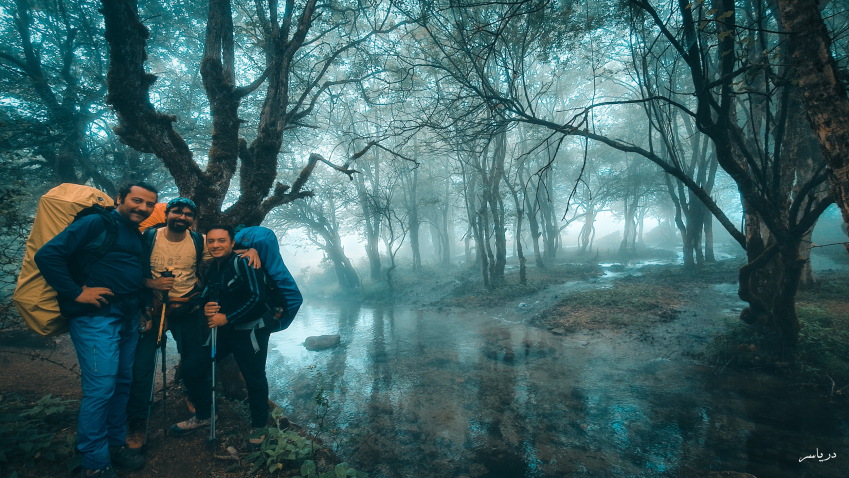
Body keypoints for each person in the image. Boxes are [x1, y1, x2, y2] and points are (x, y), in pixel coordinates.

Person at [34, 182, 158, 477]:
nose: (142, 208)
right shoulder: (96, 222)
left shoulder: (136, 234)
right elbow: (47, 255)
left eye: (149, 204)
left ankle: (115, 445)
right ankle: (95, 463)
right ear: (120, 198)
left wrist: (143, 308)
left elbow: (133, 273)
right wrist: (77, 293)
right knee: (101, 387)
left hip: (127, 317)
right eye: (136, 200)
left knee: (122, 383)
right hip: (95, 318)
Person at [125, 198, 260, 450]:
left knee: (193, 360)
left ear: (193, 219)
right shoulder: (149, 237)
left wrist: (249, 250)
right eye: (177, 211)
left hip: (188, 309)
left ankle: (202, 409)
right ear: (167, 213)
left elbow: (225, 249)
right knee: (142, 365)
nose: (182, 216)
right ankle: (136, 423)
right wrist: (150, 285)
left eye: (188, 213)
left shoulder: (198, 241)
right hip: (153, 310)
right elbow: (131, 268)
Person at [169, 225, 274, 446]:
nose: (216, 245)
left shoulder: (245, 262)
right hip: (224, 332)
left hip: (250, 332)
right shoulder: (212, 268)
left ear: (232, 243)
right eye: (212, 241)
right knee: (193, 366)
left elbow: (258, 299)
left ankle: (259, 426)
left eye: (222, 241)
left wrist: (227, 317)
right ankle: (205, 416)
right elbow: (208, 294)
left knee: (254, 377)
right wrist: (199, 304)